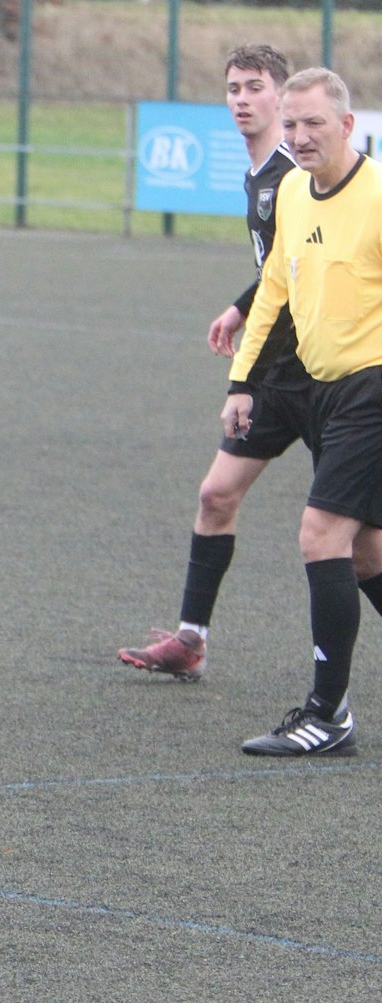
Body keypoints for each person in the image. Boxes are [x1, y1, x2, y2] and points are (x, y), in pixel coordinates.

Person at [118, 45, 306, 683]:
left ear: (281, 95)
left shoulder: (293, 174)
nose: (241, 100)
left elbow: (304, 279)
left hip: (324, 375)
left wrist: (243, 375)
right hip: (279, 373)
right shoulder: (259, 173)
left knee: (360, 542)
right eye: (233, 88)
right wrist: (240, 306)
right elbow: (279, 272)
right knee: (216, 494)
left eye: (255, 87)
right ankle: (190, 640)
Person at [225, 67, 382, 758]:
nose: (300, 136)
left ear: (347, 125)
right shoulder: (291, 190)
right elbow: (273, 292)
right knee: (368, 552)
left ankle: (327, 714)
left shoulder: (377, 196)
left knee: (321, 535)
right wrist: (243, 380)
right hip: (322, 392)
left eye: (314, 123)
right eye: (291, 124)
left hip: (372, 390)